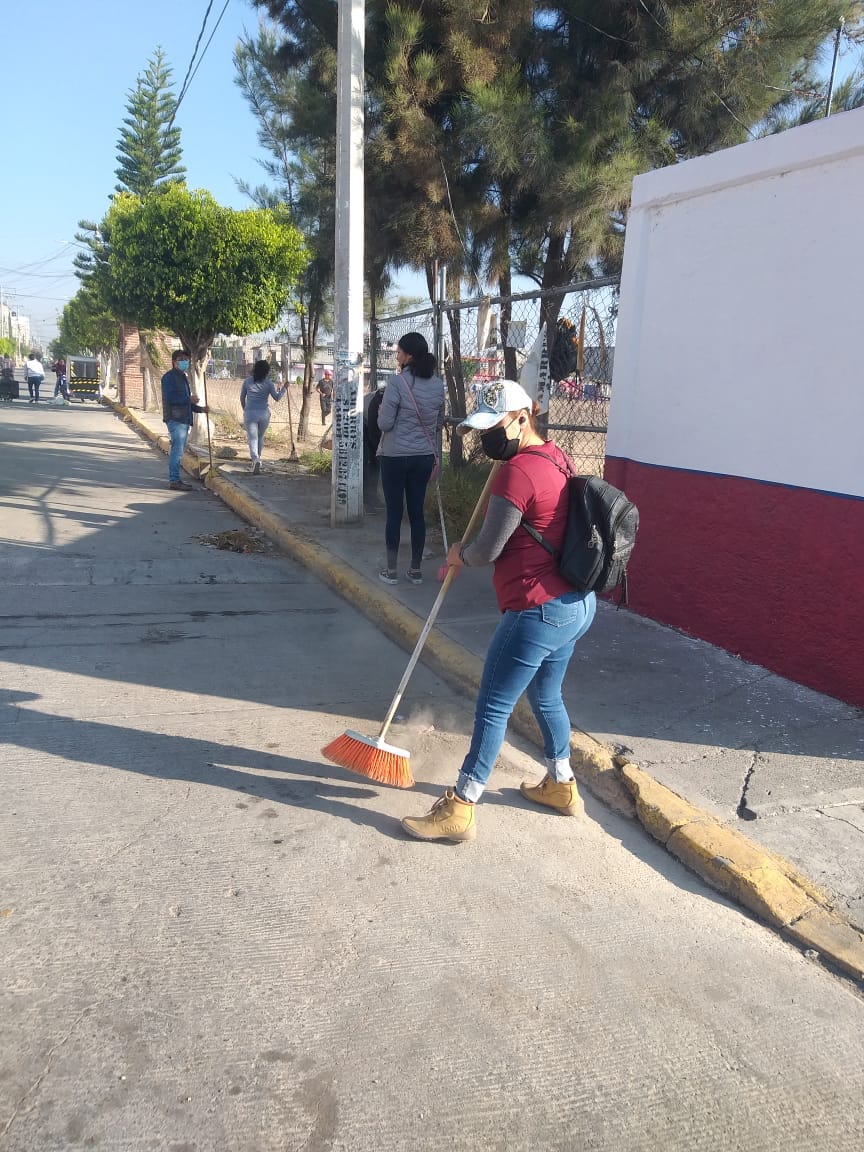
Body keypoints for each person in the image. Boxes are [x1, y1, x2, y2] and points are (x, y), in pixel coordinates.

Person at [401, 379, 596, 843]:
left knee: (492, 707)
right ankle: (563, 784)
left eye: (494, 426)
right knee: (546, 697)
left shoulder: (517, 473)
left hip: (536, 610)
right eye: (482, 427)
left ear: (522, 417)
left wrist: (456, 556)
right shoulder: (556, 456)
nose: (486, 436)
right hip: (575, 605)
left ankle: (461, 805)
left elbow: (487, 549)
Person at [375, 332, 445, 585]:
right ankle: (415, 570)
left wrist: (383, 408)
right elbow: (438, 424)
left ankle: (391, 571)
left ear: (409, 356)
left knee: (394, 513)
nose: (397, 356)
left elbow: (385, 423)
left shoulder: (397, 383)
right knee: (417, 513)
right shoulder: (438, 384)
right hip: (423, 457)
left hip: (395, 457)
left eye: (399, 352)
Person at [161, 350, 208, 491]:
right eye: (181, 359)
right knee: (177, 451)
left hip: (184, 418)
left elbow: (187, 403)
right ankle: (174, 480)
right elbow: (171, 399)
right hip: (176, 419)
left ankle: (175, 479)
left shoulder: (183, 377)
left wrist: (201, 409)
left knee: (179, 451)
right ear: (174, 362)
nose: (185, 362)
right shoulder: (169, 378)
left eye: (186, 360)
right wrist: (189, 399)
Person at [240, 359, 285, 474]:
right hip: (264, 413)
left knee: (252, 438)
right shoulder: (269, 383)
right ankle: (257, 459)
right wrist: (285, 388)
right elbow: (277, 397)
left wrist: (245, 409)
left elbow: (242, 398)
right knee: (260, 437)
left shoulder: (247, 382)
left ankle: (255, 459)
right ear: (266, 371)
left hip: (250, 413)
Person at [362, 378, 385, 511]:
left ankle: (373, 496)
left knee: (375, 463)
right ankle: (367, 499)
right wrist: (378, 449)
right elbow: (373, 432)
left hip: (373, 423)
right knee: (368, 461)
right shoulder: (377, 402)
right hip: (362, 423)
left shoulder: (394, 398)